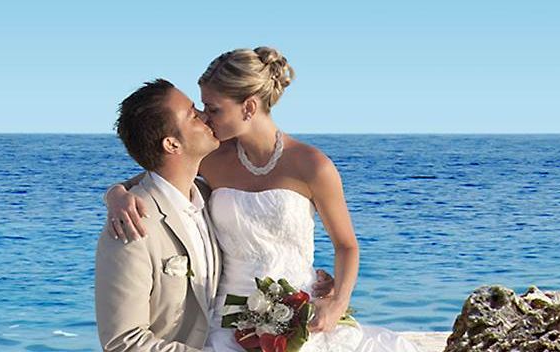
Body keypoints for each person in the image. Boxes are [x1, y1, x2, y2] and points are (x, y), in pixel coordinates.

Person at [104, 47, 419, 352]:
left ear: (249, 108)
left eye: (213, 109)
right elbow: (165, 176)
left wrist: (337, 303)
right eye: (201, 108)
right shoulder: (213, 158)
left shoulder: (312, 165)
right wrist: (116, 193)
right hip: (228, 320)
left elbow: (346, 244)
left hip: (299, 312)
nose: (206, 118)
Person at [96, 79, 222, 351]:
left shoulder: (215, 196)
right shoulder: (131, 222)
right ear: (172, 144)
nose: (205, 116)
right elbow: (124, 342)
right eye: (192, 114)